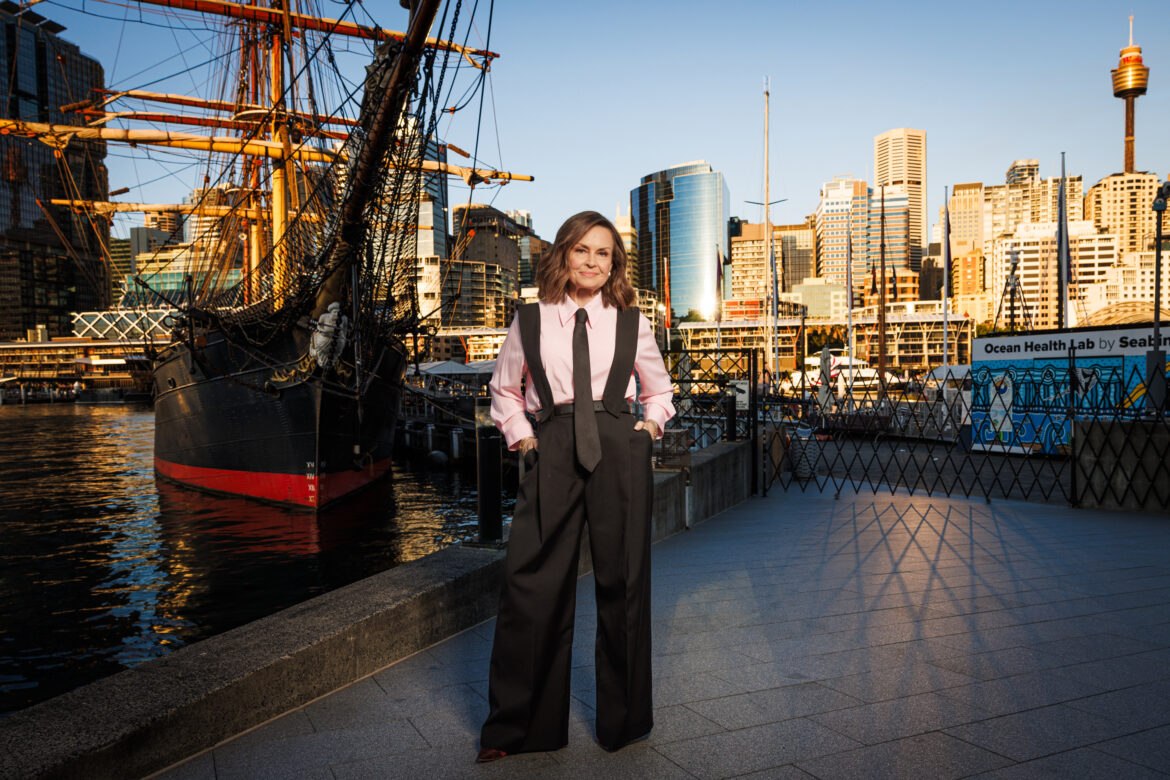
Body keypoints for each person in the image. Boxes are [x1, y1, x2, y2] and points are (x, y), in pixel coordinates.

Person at [477, 211, 675, 762]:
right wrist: (525, 441)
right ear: (563, 254)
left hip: (618, 446)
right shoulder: (531, 318)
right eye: (582, 250)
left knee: (625, 584)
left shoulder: (632, 321)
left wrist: (648, 427)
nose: (592, 261)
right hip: (554, 445)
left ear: (614, 263)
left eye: (603, 253)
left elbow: (659, 390)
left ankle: (625, 722)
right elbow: (504, 391)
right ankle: (518, 729)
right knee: (532, 587)